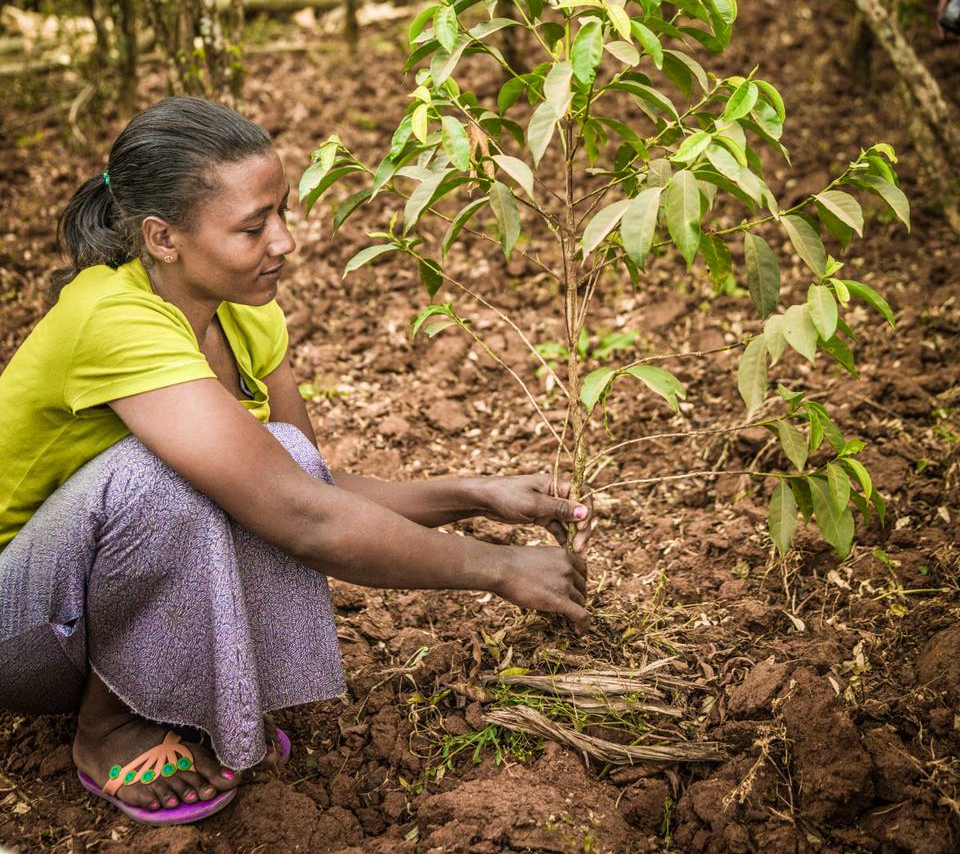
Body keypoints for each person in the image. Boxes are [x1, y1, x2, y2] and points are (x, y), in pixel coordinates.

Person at [0, 96, 591, 828]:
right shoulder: (112, 319)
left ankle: (178, 697)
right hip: (22, 631)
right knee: (162, 478)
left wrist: (475, 495)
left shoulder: (244, 310)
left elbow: (303, 481)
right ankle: (108, 728)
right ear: (162, 237)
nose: (284, 241)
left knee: (278, 452)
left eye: (281, 211)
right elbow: (298, 516)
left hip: (86, 610)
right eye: (254, 227)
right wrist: (498, 568)